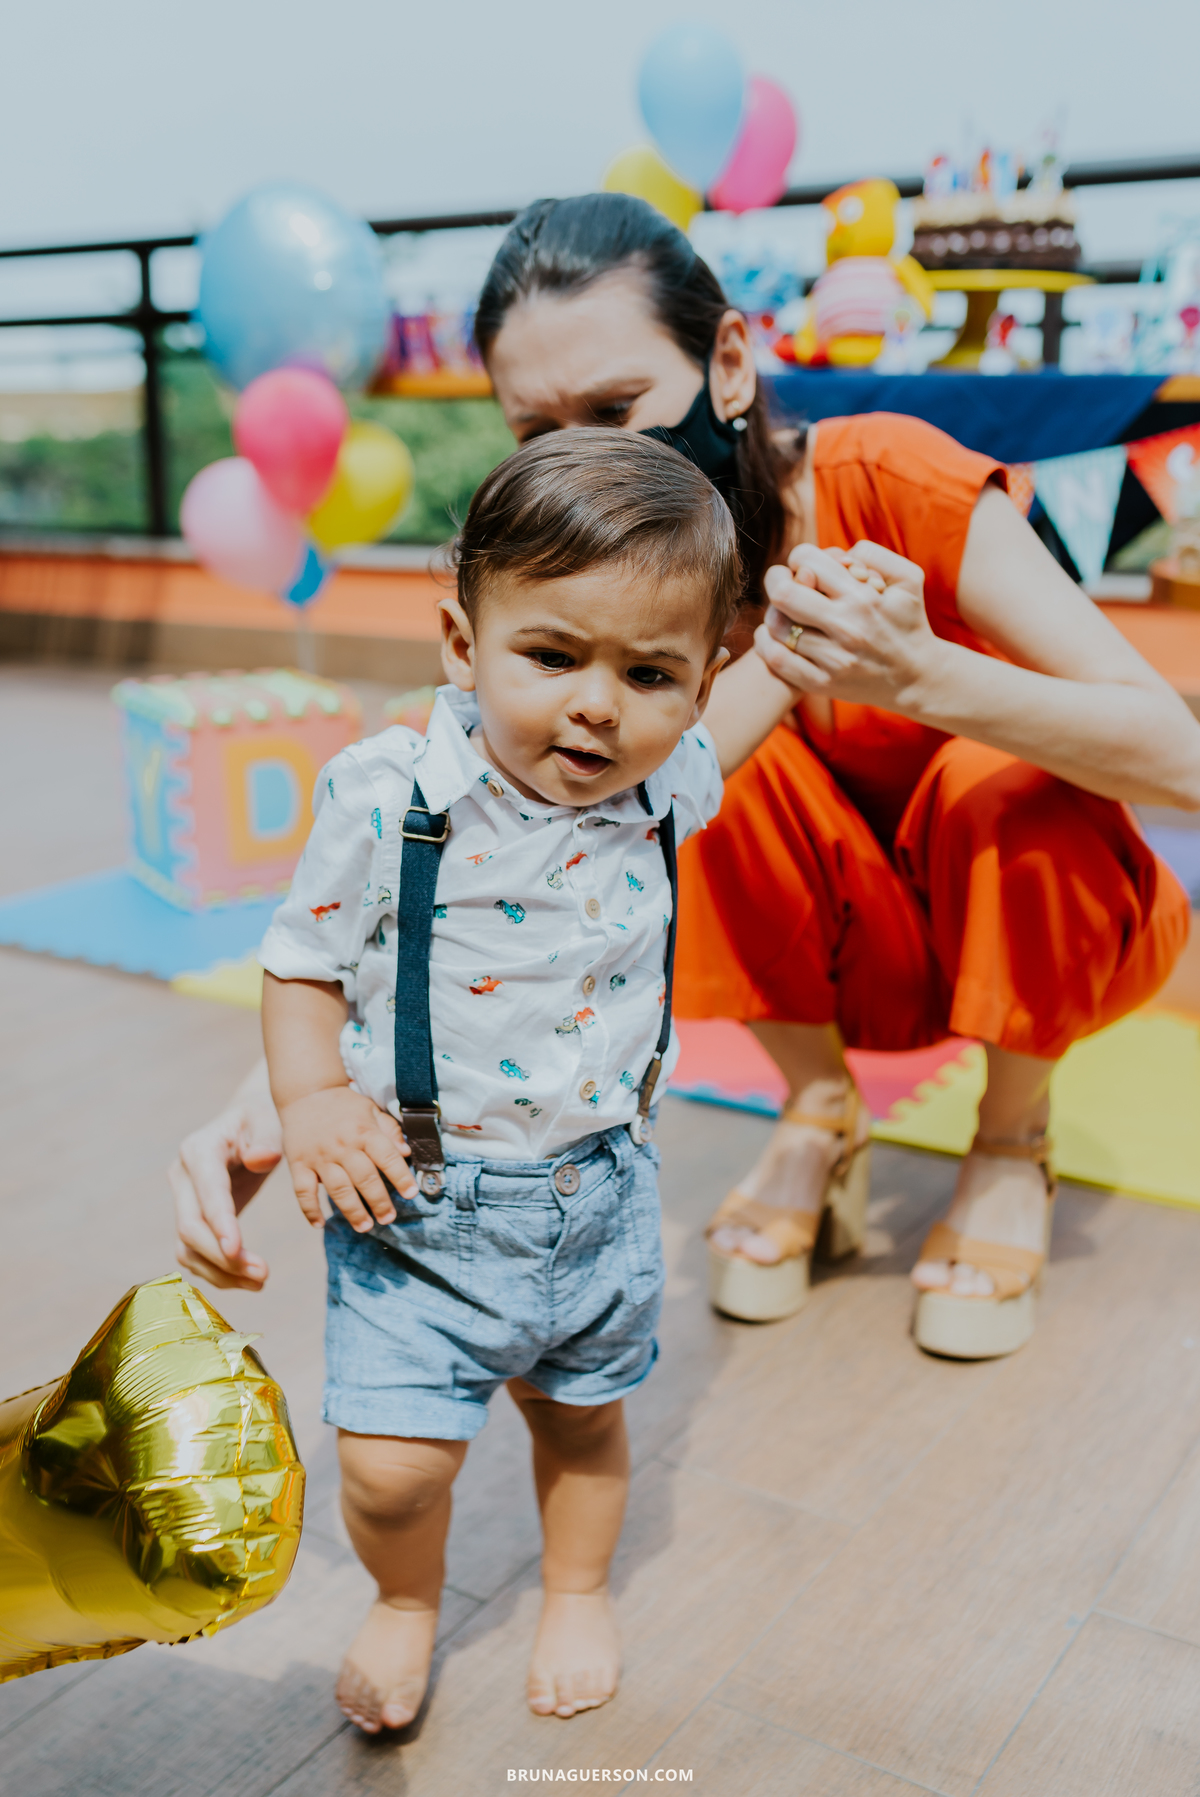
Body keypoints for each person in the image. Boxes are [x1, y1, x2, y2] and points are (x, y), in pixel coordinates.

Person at [174, 192, 1200, 1361]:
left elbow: (1182, 757)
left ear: (726, 364)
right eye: (539, 434)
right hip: (829, 957)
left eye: (617, 408)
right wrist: (287, 1093)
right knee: (663, 781)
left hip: (1026, 933)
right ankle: (819, 1106)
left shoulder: (892, 480)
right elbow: (447, 857)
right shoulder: (574, 600)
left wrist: (924, 680)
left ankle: (1012, 1136)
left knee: (999, 776)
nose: (593, 460)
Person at [254, 427, 813, 1732]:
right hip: (418, 1203)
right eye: (553, 656)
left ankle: (575, 1586)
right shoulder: (392, 792)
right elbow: (299, 963)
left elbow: (753, 689)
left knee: (584, 1426)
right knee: (393, 1468)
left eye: (649, 672)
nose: (597, 705)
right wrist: (311, 1103)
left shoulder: (667, 778)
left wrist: (803, 624)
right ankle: (403, 1598)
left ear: (699, 679)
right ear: (463, 644)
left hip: (599, 1192)